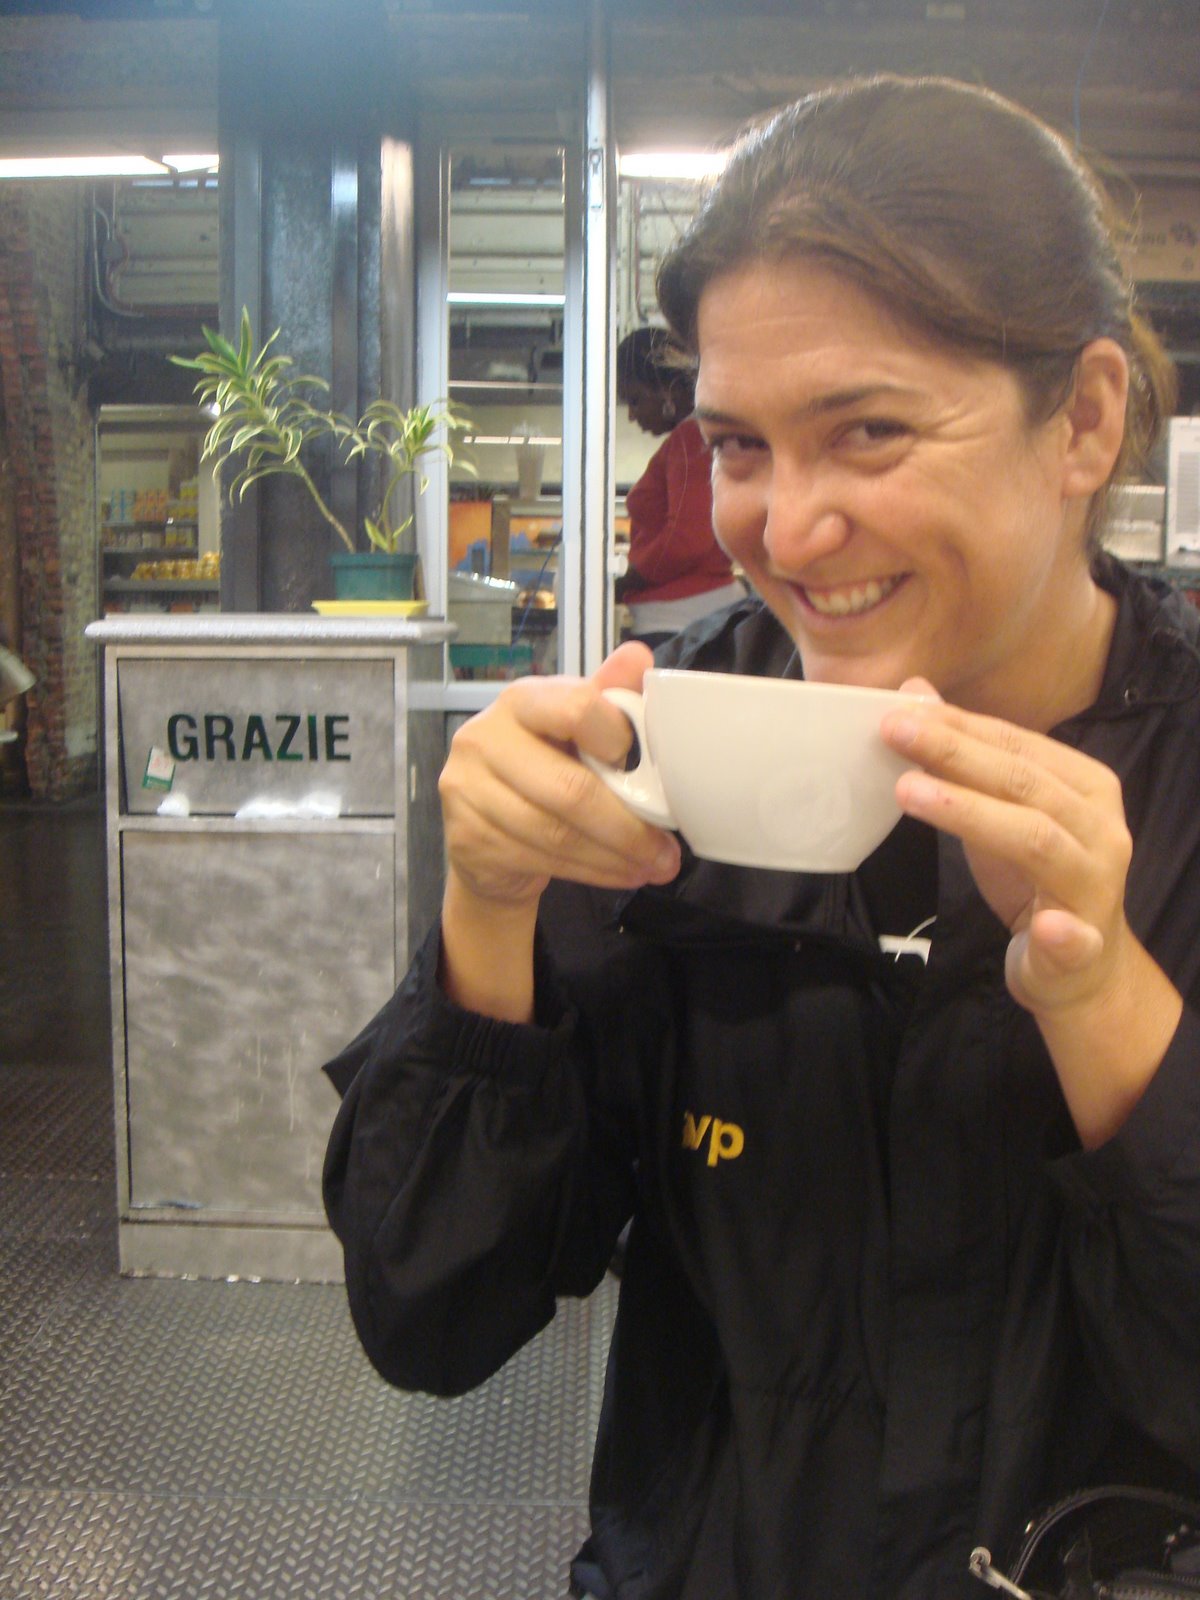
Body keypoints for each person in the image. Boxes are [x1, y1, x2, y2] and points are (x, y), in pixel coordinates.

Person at [322, 75, 1200, 1599]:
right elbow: (431, 1315)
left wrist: (1104, 1000)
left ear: (1084, 419)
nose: (787, 533)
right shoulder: (673, 746)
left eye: (871, 432)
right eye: (738, 445)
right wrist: (487, 919)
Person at [615, 326, 745, 648]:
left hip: (678, 622)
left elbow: (686, 537)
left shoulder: (689, 440)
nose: (631, 415)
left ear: (667, 391)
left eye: (635, 399)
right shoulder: (698, 437)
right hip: (689, 618)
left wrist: (632, 578)